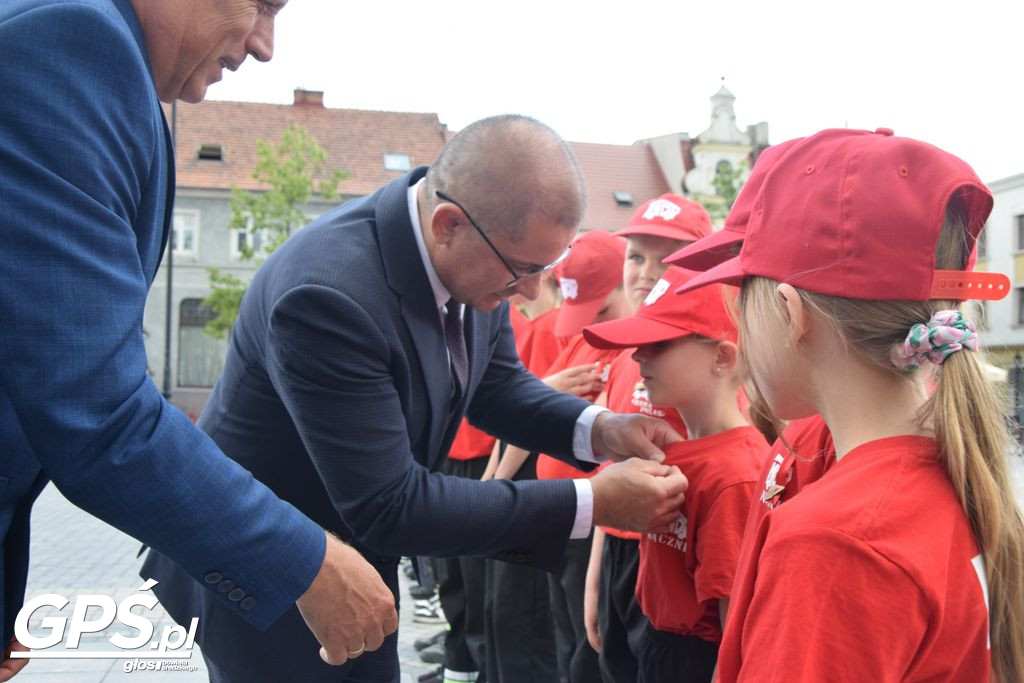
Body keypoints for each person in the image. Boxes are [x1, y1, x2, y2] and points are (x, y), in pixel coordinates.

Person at [141, 114, 690, 683]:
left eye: (544, 268)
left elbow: (497, 384)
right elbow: (390, 504)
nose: (530, 292)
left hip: (357, 559)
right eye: (523, 271)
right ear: (448, 224)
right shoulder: (329, 297)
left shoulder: (478, 250)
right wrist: (591, 502)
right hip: (272, 584)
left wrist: (599, 430)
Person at [0, 0, 397, 678]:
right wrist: (307, 560)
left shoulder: (105, 67)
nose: (265, 45)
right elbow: (96, 409)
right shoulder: (74, 44)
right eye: (262, 5)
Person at [676, 127, 1024, 682]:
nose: (737, 321)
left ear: (792, 315)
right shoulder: (950, 467)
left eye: (744, 295)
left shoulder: (832, 545)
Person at [585, 268, 765, 682]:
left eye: (659, 343)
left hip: (696, 659)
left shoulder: (735, 473)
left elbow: (733, 619)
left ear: (722, 357)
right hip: (658, 641)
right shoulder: (673, 450)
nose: (637, 356)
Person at [583, 193, 711, 683]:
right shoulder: (622, 356)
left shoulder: (710, 362)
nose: (646, 273)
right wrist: (595, 574)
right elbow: (609, 467)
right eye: (636, 256)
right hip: (618, 549)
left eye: (670, 259)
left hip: (670, 559)